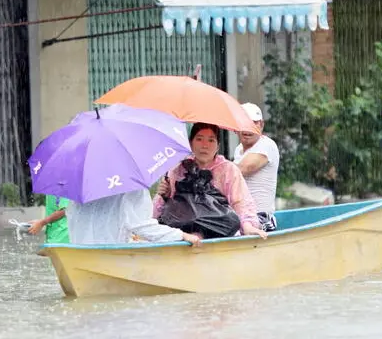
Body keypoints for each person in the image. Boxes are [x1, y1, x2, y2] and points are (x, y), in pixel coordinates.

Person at [153, 122, 268, 239]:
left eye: (211, 140)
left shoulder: (228, 170)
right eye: (199, 139)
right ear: (191, 143)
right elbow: (160, 214)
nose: (205, 145)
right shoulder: (177, 170)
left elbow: (241, 202)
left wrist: (248, 226)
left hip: (219, 234)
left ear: (218, 146)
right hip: (183, 235)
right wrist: (164, 197)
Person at [64, 189, 202, 246]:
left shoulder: (79, 188)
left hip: (80, 250)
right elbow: (143, 227)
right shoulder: (133, 186)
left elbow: (71, 219)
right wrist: (182, 235)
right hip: (112, 254)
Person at [233, 103, 280, 231]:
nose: (249, 129)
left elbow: (241, 170)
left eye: (254, 123)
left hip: (261, 217)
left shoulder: (266, 145)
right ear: (236, 126)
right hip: (240, 216)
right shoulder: (238, 150)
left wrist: (210, 166)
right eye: (244, 123)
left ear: (261, 125)